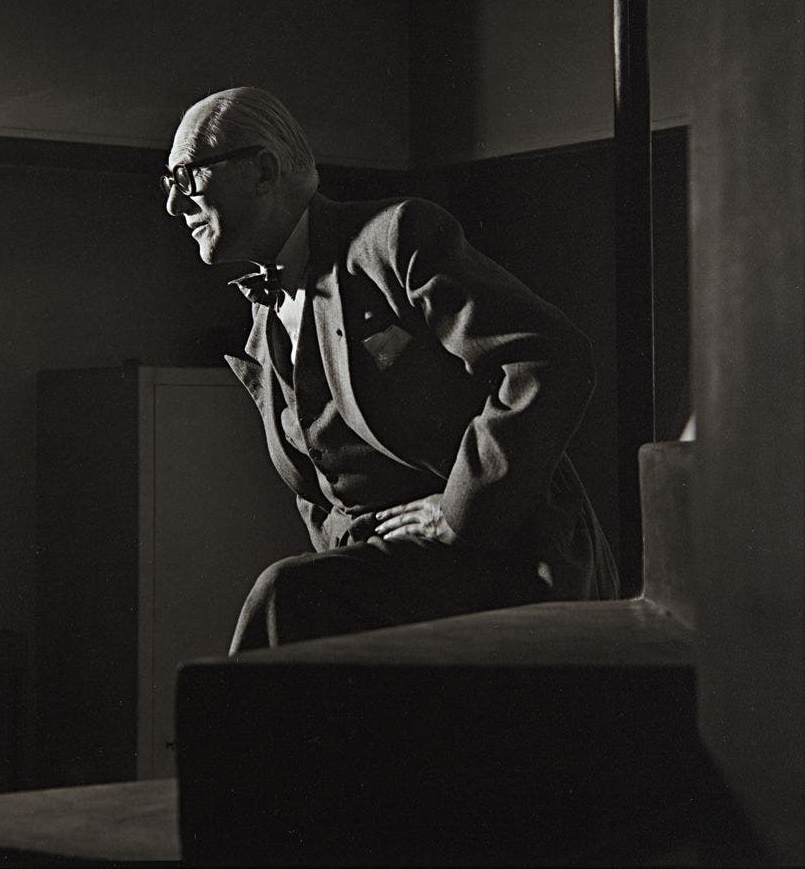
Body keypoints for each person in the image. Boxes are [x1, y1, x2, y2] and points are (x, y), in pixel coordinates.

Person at [163, 87, 619, 652]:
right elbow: (319, 483)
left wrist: (459, 513)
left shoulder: (394, 240)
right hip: (389, 573)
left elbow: (549, 356)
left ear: (263, 170)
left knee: (286, 597)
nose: (174, 205)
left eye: (186, 178)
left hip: (497, 553)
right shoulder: (263, 319)